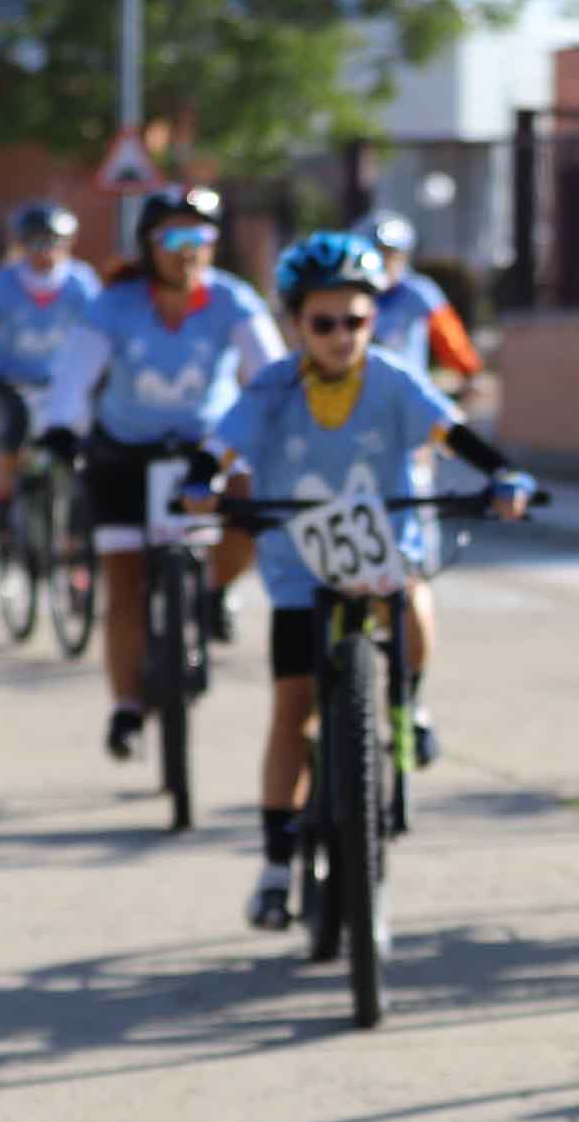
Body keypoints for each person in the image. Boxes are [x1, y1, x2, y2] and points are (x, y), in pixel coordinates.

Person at [215, 231, 533, 925]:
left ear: (374, 321)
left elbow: (451, 431)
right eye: (322, 323)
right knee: (292, 705)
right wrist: (197, 483)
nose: (339, 336)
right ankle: (274, 867)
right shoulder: (274, 384)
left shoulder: (392, 376)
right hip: (300, 563)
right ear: (296, 324)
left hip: (385, 547)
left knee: (411, 596)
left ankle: (408, 703)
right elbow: (222, 441)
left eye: (355, 321)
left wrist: (501, 474)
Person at [34, 183, 285, 761]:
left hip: (208, 451)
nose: (187, 249)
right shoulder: (114, 303)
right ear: (149, 245)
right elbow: (75, 374)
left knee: (254, 510)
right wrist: (62, 427)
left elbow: (269, 376)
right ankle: (125, 708)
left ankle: (216, 592)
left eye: (199, 236)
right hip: (125, 451)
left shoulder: (233, 300)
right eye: (172, 237)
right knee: (123, 585)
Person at [0, 201, 101, 532]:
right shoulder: (7, 280)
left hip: (62, 376)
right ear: (23, 245)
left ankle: (77, 527)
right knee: (17, 425)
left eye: (55, 242)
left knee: (80, 439)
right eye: (36, 243)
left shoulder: (80, 281)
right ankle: (3, 495)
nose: (46, 252)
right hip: (13, 374)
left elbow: (102, 330)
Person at [362, 215, 481, 386]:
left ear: (403, 258)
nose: (384, 262)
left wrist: (469, 372)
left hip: (408, 390)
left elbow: (448, 335)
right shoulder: (355, 294)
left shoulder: (419, 291)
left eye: (391, 255)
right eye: (377, 253)